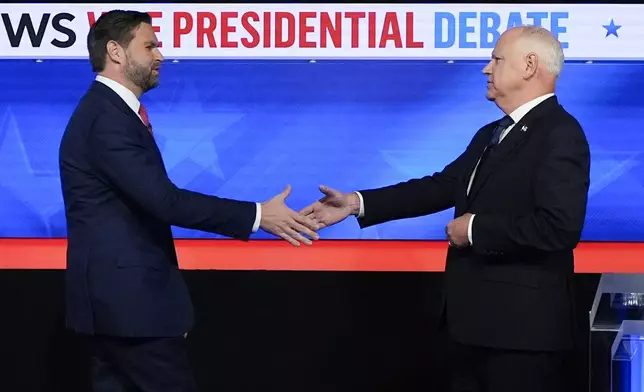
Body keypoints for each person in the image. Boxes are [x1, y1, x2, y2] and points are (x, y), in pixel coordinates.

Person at [301, 26, 590, 392]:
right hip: (471, 330)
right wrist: (357, 203)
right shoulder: (491, 133)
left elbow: (560, 227)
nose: (486, 68)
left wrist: (473, 230)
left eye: (497, 59)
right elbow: (440, 186)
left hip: (522, 337)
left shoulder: (560, 133)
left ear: (530, 66)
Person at [58, 10, 319, 391]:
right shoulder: (106, 119)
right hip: (131, 311)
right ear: (115, 51)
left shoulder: (107, 112)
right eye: (149, 45)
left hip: (117, 309)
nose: (160, 55)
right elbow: (165, 201)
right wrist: (258, 215)